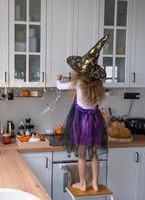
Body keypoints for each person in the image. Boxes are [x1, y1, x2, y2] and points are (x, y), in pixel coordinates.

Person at [56, 35, 109, 192]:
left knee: (81, 154)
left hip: (81, 122)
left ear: (80, 72)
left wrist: (58, 79)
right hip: (96, 121)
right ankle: (94, 182)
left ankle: (83, 184)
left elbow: (61, 86)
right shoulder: (98, 88)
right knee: (94, 154)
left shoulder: (78, 83)